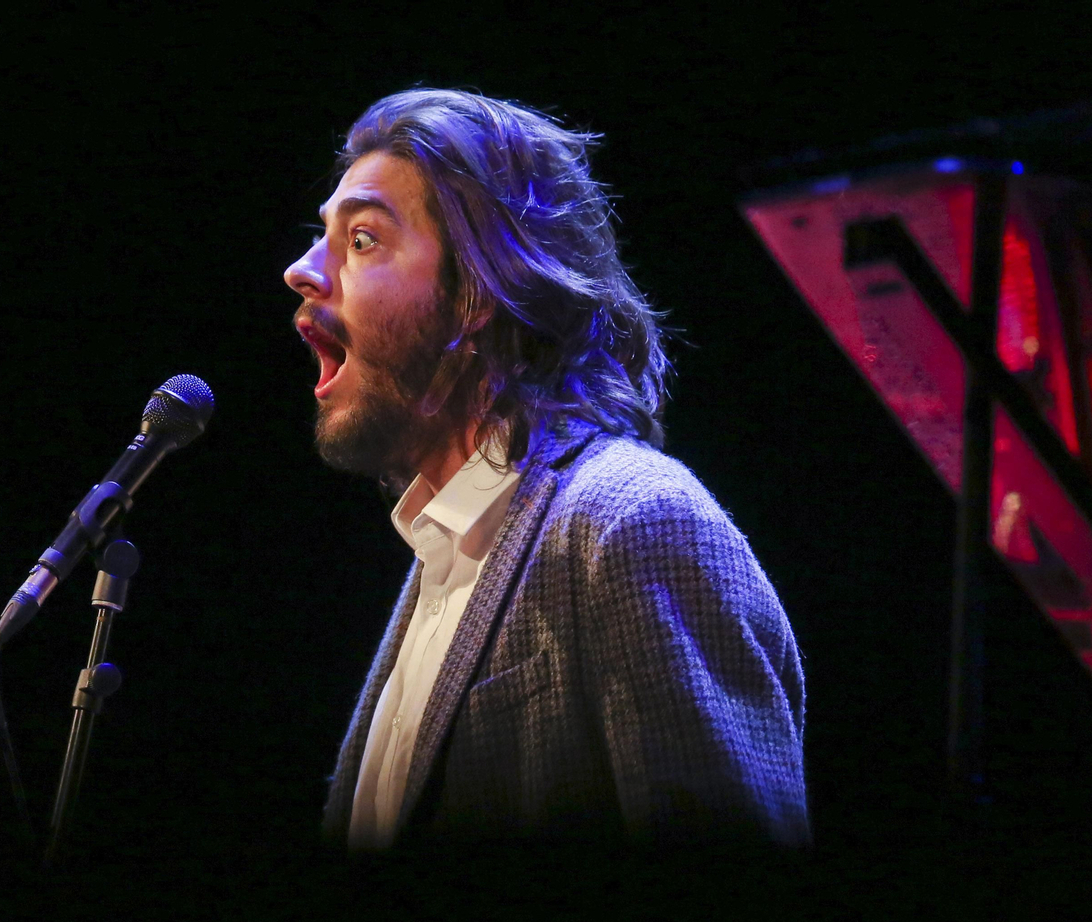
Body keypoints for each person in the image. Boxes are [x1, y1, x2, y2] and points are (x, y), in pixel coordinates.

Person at [284, 89, 809, 852]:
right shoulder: (442, 558)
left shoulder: (633, 522)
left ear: (477, 292)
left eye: (362, 239)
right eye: (322, 236)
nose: (302, 270)